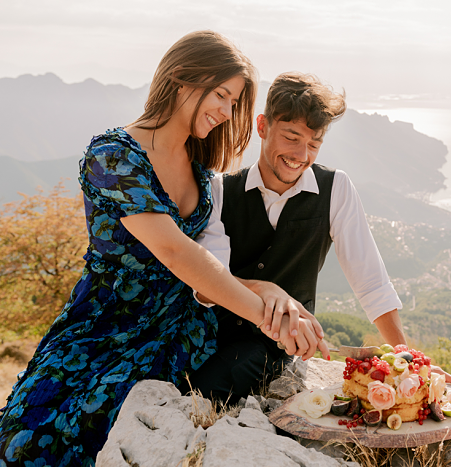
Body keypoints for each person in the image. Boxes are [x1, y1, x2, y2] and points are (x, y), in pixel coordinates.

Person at [0, 32, 327, 466]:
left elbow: (201, 273)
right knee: (36, 443)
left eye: (234, 103)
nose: (226, 112)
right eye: (222, 95)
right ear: (181, 79)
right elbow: (175, 255)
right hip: (107, 330)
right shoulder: (113, 156)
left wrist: (268, 290)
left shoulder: (200, 171)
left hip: (182, 335)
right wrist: (266, 319)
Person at [188, 72, 451, 404]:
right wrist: (265, 291)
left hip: (273, 347)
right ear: (262, 126)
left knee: (215, 383)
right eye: (291, 137)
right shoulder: (220, 189)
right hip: (207, 334)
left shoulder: (336, 189)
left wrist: (409, 362)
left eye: (314, 143)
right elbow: (205, 287)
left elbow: (371, 283)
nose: (301, 155)